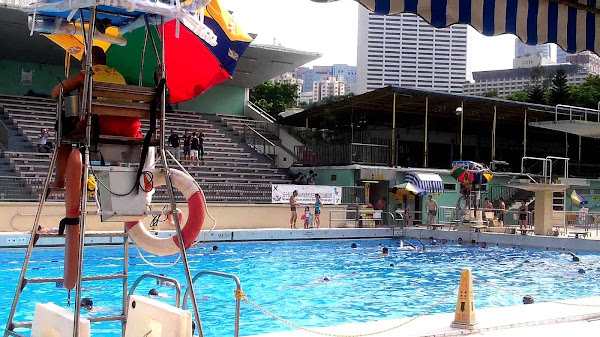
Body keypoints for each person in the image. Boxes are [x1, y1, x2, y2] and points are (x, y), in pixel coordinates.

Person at [50, 46, 141, 189]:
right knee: (109, 125)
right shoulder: (118, 75)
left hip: (100, 128)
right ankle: (113, 182)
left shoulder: (86, 73)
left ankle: (60, 180)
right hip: (129, 130)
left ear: (87, 61)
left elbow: (55, 93)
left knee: (63, 133)